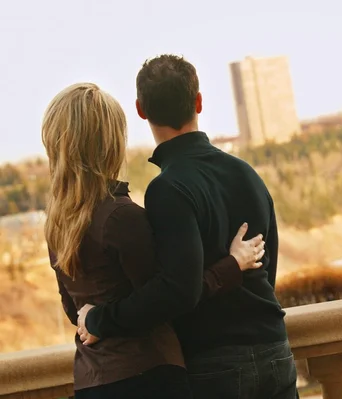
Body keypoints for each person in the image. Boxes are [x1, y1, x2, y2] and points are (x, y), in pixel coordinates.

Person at [77, 55, 299, 399]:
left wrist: (99, 320)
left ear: (140, 110)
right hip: (275, 347)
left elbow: (177, 290)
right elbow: (267, 268)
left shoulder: (168, 189)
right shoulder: (247, 174)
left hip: (215, 361)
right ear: (198, 101)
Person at [42, 82, 266, 399]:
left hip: (91, 381)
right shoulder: (121, 217)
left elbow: (73, 312)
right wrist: (232, 265)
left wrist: (94, 319)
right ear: (111, 142)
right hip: (148, 377)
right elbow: (172, 296)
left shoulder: (57, 223)